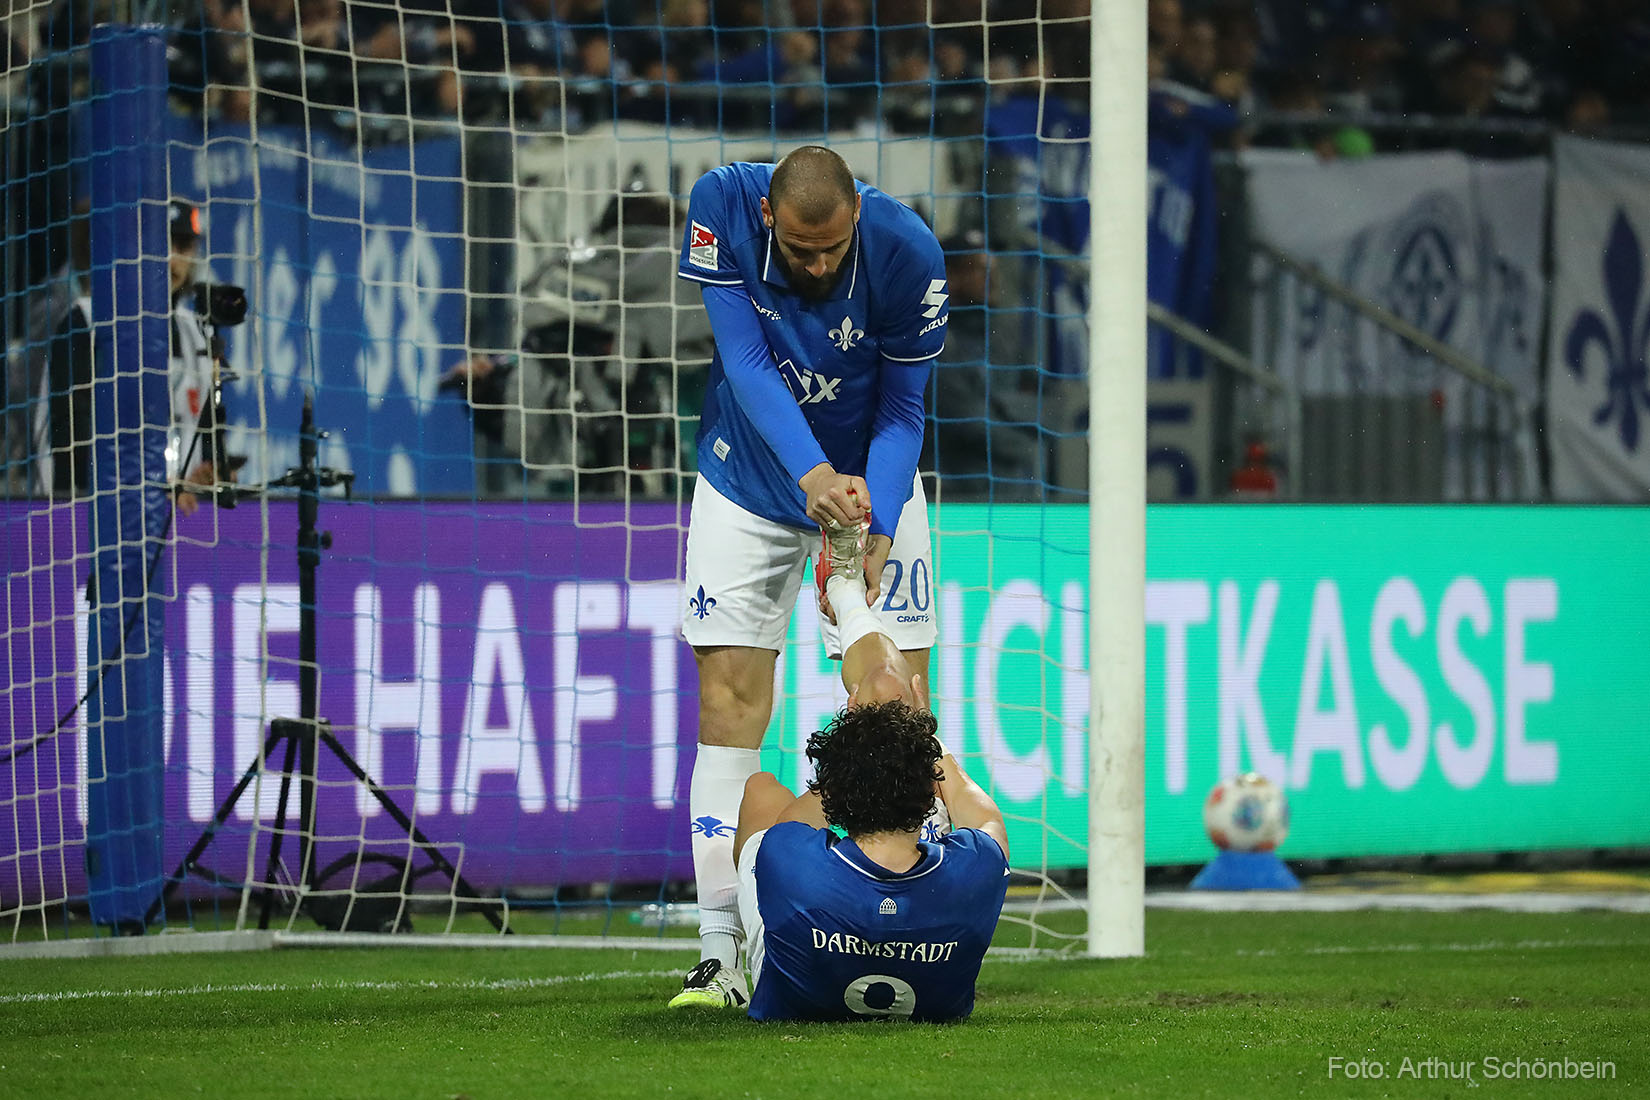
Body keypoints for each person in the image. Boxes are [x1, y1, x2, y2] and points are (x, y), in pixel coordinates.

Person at [670, 145, 949, 1008]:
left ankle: (913, 929)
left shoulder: (909, 251)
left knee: (901, 711)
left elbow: (904, 408)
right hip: (748, 483)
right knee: (729, 707)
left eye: (832, 250)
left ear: (856, 215)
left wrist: (881, 521)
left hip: (870, 487)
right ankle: (720, 954)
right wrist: (811, 475)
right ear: (769, 219)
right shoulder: (721, 202)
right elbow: (745, 361)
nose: (819, 266)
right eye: (799, 250)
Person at [722, 697, 1009, 1022]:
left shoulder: (789, 858)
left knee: (762, 789)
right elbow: (987, 821)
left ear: (836, 792)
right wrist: (933, 749)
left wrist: (848, 760)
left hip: (799, 1004)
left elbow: (790, 824)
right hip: (933, 1003)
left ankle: (718, 952)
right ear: (932, 788)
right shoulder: (977, 868)